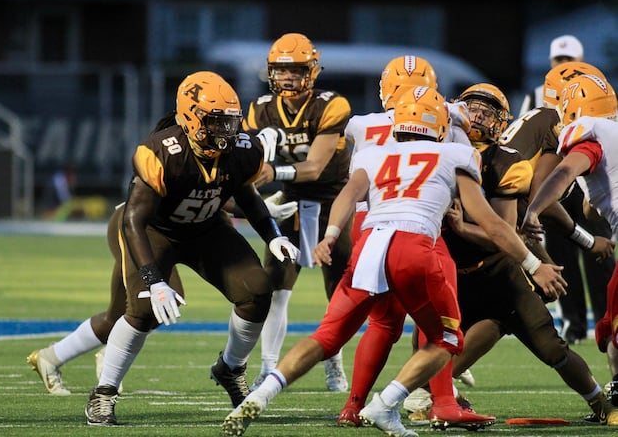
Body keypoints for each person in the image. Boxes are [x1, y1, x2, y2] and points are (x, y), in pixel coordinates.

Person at [221, 86, 567, 437]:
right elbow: (493, 225)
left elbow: (348, 195)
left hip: (369, 243)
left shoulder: (374, 154)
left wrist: (330, 234)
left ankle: (265, 394)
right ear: (440, 123)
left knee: (328, 335)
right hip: (414, 244)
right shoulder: (455, 154)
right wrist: (533, 265)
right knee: (447, 338)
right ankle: (385, 404)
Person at [84, 70, 300, 426]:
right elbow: (133, 221)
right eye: (216, 122)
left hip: (207, 229)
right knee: (142, 310)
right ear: (190, 116)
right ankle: (104, 392)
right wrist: (154, 281)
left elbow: (246, 195)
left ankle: (230, 369)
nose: (226, 132)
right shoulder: (161, 151)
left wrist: (272, 235)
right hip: (157, 232)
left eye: (230, 122)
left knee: (257, 291)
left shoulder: (241, 149)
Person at [428, 82, 616, 426]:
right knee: (433, 335)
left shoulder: (506, 161)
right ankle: (421, 396)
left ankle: (604, 405)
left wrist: (538, 261)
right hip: (453, 269)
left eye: (488, 111)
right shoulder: (438, 152)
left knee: (551, 347)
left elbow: (504, 230)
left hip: (500, 269)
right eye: (473, 108)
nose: (479, 115)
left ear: (501, 121)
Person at [337, 56, 490, 431]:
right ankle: (442, 401)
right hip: (413, 225)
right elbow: (465, 140)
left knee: (384, 322)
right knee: (440, 314)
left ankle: (353, 406)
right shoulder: (448, 121)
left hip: (365, 222)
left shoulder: (361, 124)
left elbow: (350, 168)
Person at [243, 32, 352, 392]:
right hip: (289, 202)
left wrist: (272, 173)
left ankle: (333, 360)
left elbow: (316, 167)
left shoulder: (331, 105)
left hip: (334, 202)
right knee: (277, 286)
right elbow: (251, 168)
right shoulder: (260, 109)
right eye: (281, 70)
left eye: (296, 70)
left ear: (313, 71)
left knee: (338, 291)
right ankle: (269, 367)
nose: (288, 78)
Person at [523, 73, 618, 425]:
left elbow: (563, 173)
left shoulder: (590, 136)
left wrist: (533, 208)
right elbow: (595, 206)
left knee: (614, 333)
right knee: (608, 326)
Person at [519, 34, 612, 344]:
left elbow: (559, 173)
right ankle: (579, 324)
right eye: (560, 61)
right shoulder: (543, 105)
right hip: (544, 191)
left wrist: (534, 208)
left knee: (598, 260)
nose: (565, 67)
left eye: (569, 60)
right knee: (564, 257)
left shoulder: (592, 107)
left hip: (568, 188)